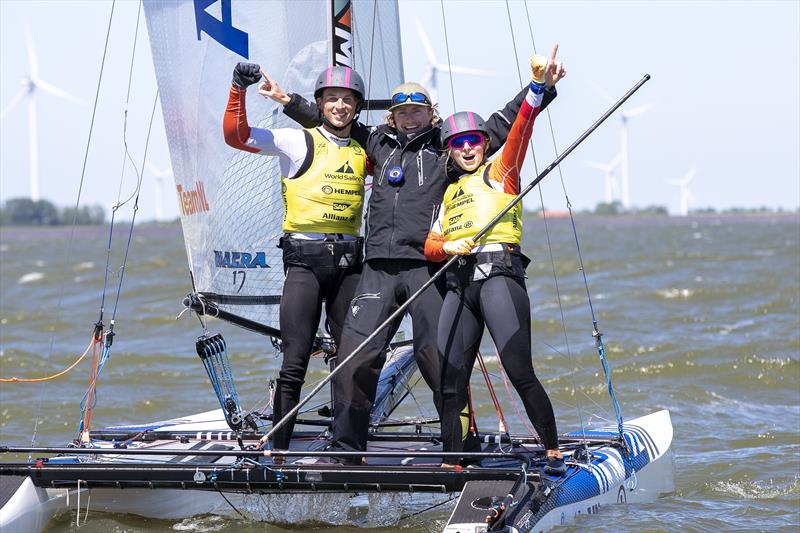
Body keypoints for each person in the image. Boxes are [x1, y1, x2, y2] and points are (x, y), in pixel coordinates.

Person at [260, 49, 565, 463]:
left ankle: (460, 445)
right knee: (355, 357)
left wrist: (541, 88)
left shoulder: (447, 147)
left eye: (417, 109)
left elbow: (501, 126)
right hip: (377, 269)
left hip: (427, 269)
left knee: (439, 361)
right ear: (392, 116)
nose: (408, 116)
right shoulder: (377, 143)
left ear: (430, 114)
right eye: (401, 110)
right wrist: (290, 102)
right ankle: (348, 450)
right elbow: (333, 120)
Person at [423, 50, 567, 475]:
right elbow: (431, 245)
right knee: (449, 381)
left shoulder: (501, 171)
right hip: (459, 287)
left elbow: (521, 128)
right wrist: (448, 248)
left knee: (519, 368)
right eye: (458, 144)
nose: (467, 148)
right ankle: (454, 462)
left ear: (484, 145)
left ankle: (553, 451)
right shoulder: (447, 195)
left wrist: (538, 87)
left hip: (499, 276)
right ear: (449, 152)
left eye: (473, 141)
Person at [223, 62, 368, 456]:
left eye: (348, 100)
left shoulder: (363, 148)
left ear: (357, 106)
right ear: (320, 103)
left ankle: (348, 447)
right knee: (296, 358)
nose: (340, 106)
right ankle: (279, 450)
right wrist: (239, 88)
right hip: (305, 262)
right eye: (332, 99)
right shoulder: (296, 141)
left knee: (351, 359)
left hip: (350, 264)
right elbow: (236, 137)